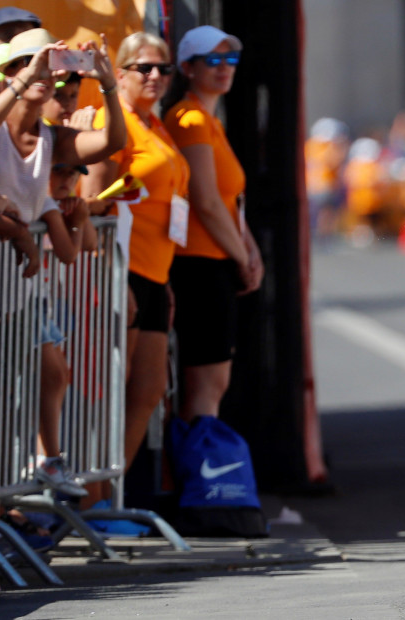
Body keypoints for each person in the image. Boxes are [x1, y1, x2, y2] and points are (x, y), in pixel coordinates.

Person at [0, 27, 125, 497]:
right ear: (6, 73)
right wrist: (28, 78)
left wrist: (107, 85)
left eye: (51, 67)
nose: (44, 74)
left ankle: (1, 520)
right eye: (30, 63)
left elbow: (110, 143)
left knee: (12, 407)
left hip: (19, 296)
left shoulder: (53, 138)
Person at [81, 32, 189, 501]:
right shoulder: (115, 122)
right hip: (120, 272)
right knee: (110, 390)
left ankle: (108, 494)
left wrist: (162, 282)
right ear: (119, 73)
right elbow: (93, 205)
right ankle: (89, 498)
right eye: (143, 68)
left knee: (147, 391)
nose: (154, 77)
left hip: (154, 273)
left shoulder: (157, 124)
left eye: (163, 69)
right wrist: (109, 275)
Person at [162, 25, 262, 423]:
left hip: (216, 259)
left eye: (230, 59)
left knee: (215, 380)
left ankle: (201, 471)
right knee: (207, 381)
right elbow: (204, 199)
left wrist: (249, 249)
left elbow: (227, 201)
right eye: (213, 60)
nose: (224, 68)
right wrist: (244, 257)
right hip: (201, 263)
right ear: (187, 67)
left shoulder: (208, 120)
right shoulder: (189, 119)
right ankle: (200, 478)